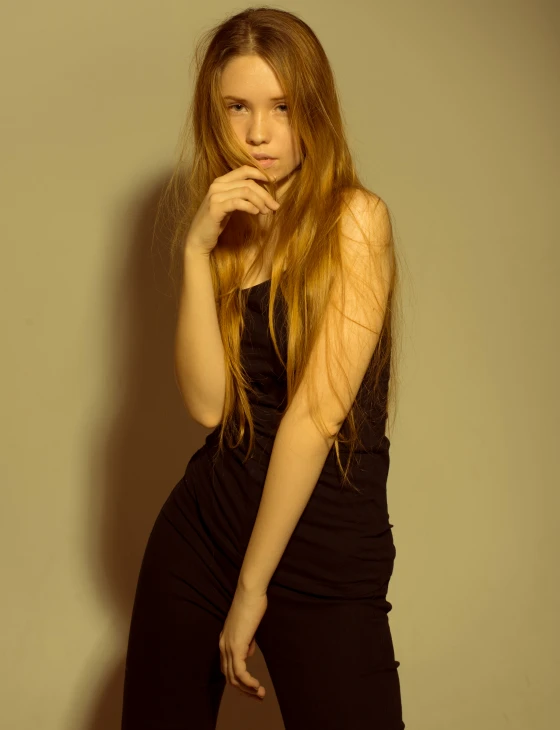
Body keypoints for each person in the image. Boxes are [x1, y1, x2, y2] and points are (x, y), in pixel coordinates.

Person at [121, 6, 405, 729]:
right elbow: (210, 408)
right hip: (205, 530)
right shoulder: (229, 230)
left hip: (324, 552)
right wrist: (195, 251)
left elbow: (315, 418)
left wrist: (252, 588)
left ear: (314, 110)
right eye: (237, 108)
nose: (257, 133)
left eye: (281, 108)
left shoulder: (356, 222)